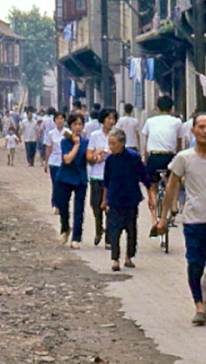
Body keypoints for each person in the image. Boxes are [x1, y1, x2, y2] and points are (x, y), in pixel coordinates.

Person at [157, 111, 206, 325]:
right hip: (194, 219)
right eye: (200, 127)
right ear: (192, 130)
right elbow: (172, 185)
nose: (204, 131)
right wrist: (164, 216)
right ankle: (200, 306)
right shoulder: (184, 158)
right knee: (196, 263)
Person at [102, 127, 152, 271]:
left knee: (131, 229)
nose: (111, 147)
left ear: (122, 143)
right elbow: (106, 180)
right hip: (114, 198)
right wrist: (104, 199)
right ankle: (115, 259)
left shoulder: (133, 157)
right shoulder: (110, 159)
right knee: (114, 229)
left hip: (131, 198)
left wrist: (151, 195)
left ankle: (129, 257)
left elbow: (144, 177)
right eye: (109, 144)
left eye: (114, 144)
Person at [141, 95, 184, 229]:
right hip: (169, 157)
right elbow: (179, 144)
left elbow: (146, 144)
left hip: (154, 156)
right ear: (171, 109)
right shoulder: (177, 122)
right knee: (174, 180)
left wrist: (145, 159)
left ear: (157, 108)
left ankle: (154, 219)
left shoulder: (150, 121)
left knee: (151, 187)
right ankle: (173, 204)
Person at [56, 113, 90, 248]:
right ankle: (65, 228)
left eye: (80, 124)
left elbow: (88, 158)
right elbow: (67, 159)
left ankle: (76, 237)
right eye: (75, 124)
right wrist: (76, 145)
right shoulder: (65, 141)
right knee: (63, 205)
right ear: (70, 126)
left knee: (79, 208)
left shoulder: (86, 142)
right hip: (65, 176)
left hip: (80, 177)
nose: (78, 127)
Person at [87, 108, 115, 247]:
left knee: (110, 206)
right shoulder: (95, 135)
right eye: (108, 118)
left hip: (111, 175)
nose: (110, 121)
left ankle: (109, 238)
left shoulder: (116, 135)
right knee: (96, 205)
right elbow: (90, 155)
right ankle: (99, 228)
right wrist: (98, 155)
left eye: (113, 119)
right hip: (96, 174)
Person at [43, 111, 66, 211]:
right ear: (55, 121)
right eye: (58, 119)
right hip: (54, 161)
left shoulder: (68, 133)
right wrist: (46, 162)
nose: (60, 121)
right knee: (56, 183)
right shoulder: (51, 133)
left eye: (61, 118)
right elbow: (48, 148)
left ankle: (63, 203)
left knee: (63, 184)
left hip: (65, 161)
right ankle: (56, 204)